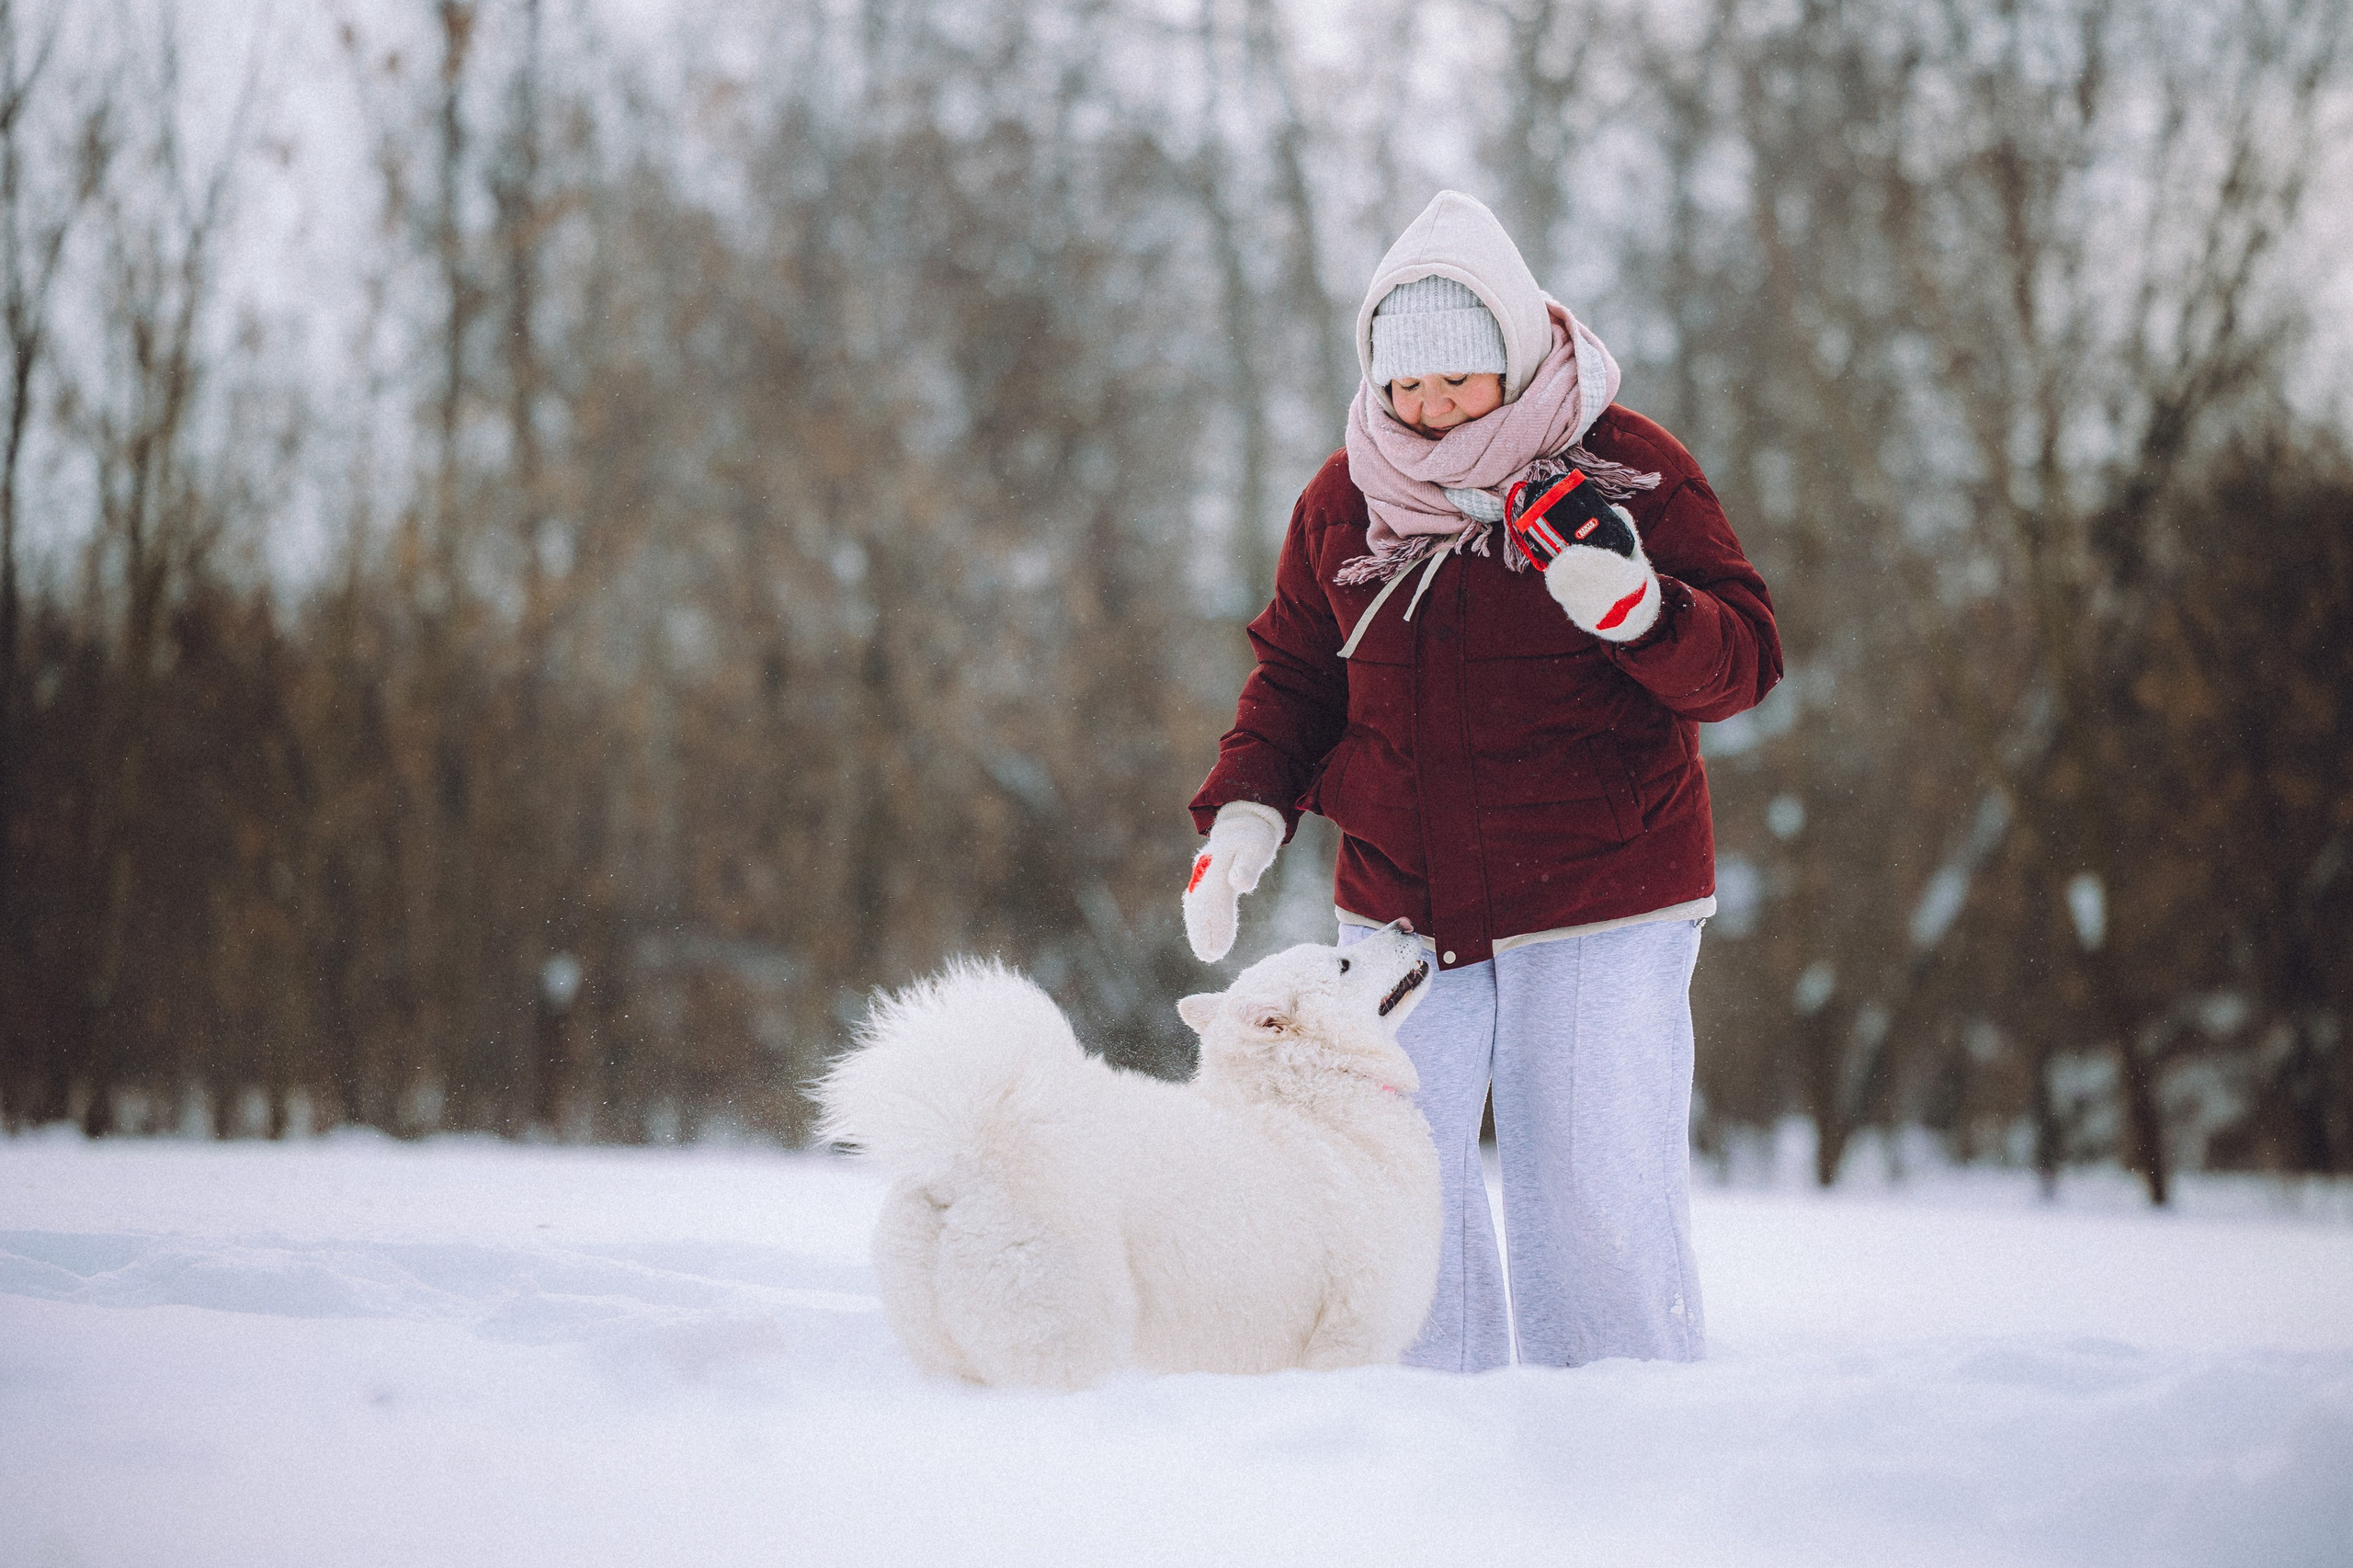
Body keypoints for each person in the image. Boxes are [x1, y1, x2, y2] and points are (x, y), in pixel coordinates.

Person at [1180, 190, 1780, 1372]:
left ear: (1512, 352)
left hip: (1603, 888)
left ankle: (1621, 1426)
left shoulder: (1628, 469)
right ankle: (1424, 1436)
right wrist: (1243, 817)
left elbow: (1744, 661)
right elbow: (1295, 680)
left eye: (1456, 380)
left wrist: (1642, 610)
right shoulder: (1344, 500)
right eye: (1404, 384)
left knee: (1593, 1185)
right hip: (1403, 902)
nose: (1429, 407)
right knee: (1393, 1177)